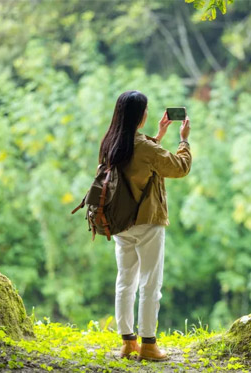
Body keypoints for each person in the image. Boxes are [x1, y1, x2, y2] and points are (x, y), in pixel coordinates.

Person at [98, 90, 192, 361]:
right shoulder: (146, 148)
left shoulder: (111, 142)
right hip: (147, 222)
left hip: (119, 222)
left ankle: (128, 344)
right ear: (141, 115)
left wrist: (159, 136)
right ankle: (149, 345)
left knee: (125, 281)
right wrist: (183, 140)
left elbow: (137, 159)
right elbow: (180, 167)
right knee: (150, 283)